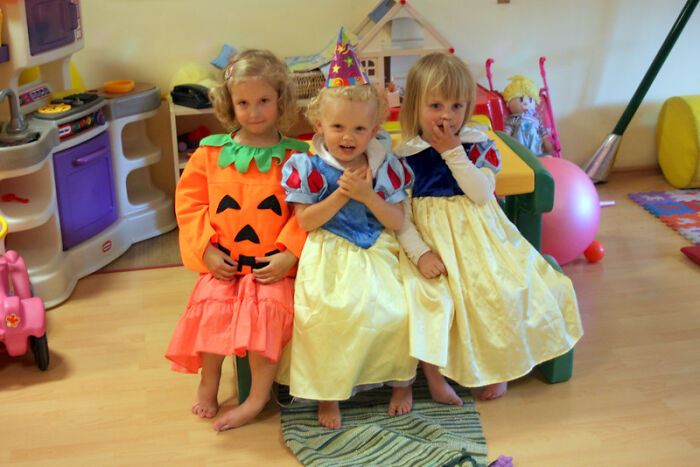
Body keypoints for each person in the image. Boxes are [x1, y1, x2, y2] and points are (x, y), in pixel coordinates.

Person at [396, 52, 583, 403]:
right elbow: (401, 216)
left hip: (481, 238)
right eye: (435, 106)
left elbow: (481, 194)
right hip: (434, 243)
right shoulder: (406, 156)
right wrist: (420, 254)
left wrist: (454, 152)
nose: (447, 116)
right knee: (431, 299)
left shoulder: (476, 145)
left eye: (456, 106)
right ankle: (434, 377)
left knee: (503, 290)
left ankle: (501, 366)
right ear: (415, 107)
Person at [277, 29, 417, 430]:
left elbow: (397, 220)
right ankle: (329, 391)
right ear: (320, 124)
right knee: (328, 315)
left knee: (398, 309)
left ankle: (401, 382)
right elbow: (304, 221)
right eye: (338, 126)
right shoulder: (308, 165)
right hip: (329, 250)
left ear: (374, 130)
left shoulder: (384, 163)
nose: (348, 137)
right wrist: (342, 194)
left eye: (359, 129)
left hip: (376, 247)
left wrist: (368, 195)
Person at [165, 49, 309, 432]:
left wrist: (290, 255)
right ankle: (209, 381)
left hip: (271, 267)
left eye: (264, 101)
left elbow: (306, 212)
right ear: (230, 104)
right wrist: (206, 250)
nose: (254, 112)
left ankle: (255, 399)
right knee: (211, 309)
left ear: (281, 100)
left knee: (268, 320)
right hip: (224, 262)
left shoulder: (297, 158)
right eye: (244, 103)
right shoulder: (210, 153)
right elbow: (189, 204)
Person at [502, 74, 554, 157]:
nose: (526, 103)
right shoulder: (514, 119)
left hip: (536, 152)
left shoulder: (537, 121)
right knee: (519, 128)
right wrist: (503, 143)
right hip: (519, 150)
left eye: (530, 100)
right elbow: (506, 134)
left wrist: (549, 147)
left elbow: (544, 135)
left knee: (534, 133)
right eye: (521, 100)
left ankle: (538, 157)